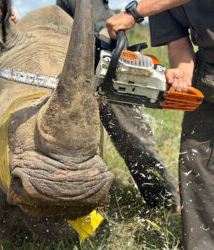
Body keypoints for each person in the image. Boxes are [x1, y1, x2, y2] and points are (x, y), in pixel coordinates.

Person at [56, 0, 191, 211]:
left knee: (130, 135)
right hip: (83, 65)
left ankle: (167, 200)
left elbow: (107, 30)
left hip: (106, 72)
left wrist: (128, 19)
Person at [148, 1, 214, 249]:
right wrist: (182, 73)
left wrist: (137, 12)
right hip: (209, 75)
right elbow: (177, 42)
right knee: (196, 157)